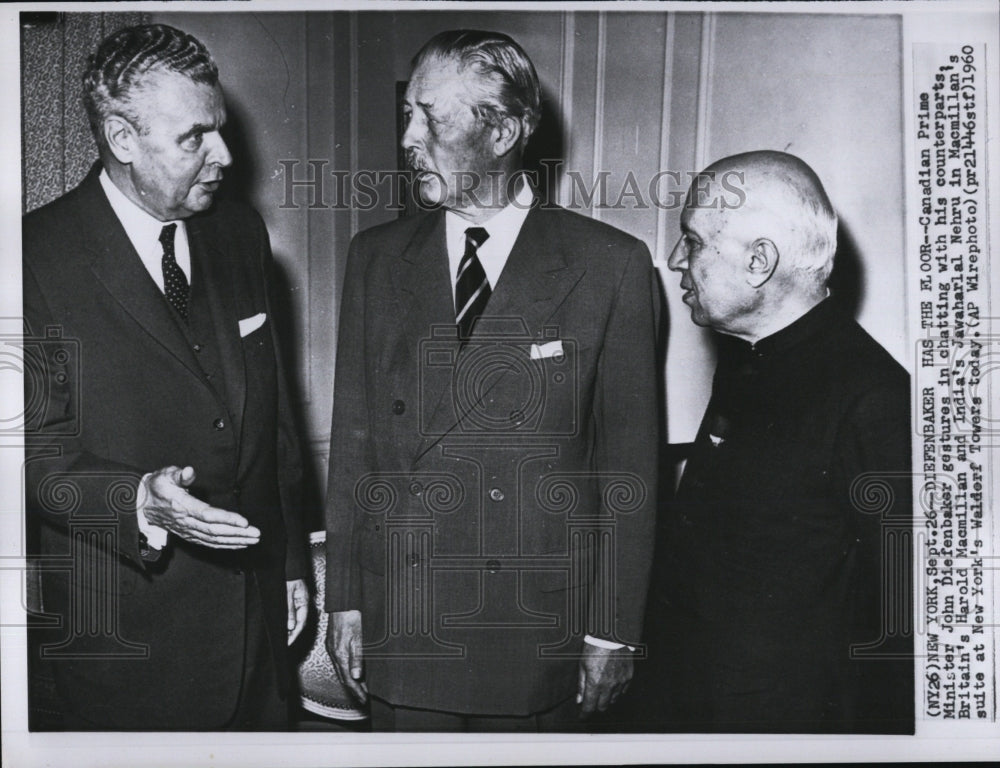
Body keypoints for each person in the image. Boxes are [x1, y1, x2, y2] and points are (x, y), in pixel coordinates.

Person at [324, 29, 662, 731]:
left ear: (504, 130)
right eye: (406, 115)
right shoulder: (376, 258)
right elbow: (354, 442)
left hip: (533, 631)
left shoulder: (611, 267)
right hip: (404, 620)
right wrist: (346, 598)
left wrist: (613, 630)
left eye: (431, 117)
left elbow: (628, 467)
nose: (409, 137)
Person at [22, 24, 308, 730]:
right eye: (195, 138)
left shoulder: (240, 233)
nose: (226, 155)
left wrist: (292, 557)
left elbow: (275, 422)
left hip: (260, 639)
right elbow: (29, 452)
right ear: (122, 139)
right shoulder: (30, 258)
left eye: (221, 129)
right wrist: (139, 500)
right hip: (128, 649)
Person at [648, 150, 913, 733]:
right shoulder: (747, 361)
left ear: (759, 262)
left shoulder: (873, 398)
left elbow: (904, 625)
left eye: (691, 241)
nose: (674, 261)